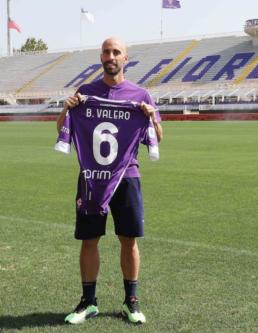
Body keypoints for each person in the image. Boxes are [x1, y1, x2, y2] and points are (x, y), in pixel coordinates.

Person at [57, 37, 163, 325]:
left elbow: (159, 137)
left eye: (117, 52)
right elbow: (62, 127)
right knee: (89, 239)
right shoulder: (85, 92)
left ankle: (131, 300)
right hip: (93, 176)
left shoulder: (141, 95)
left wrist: (152, 118)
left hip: (127, 176)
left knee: (128, 239)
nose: (111, 56)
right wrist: (67, 109)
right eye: (106, 51)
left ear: (126, 58)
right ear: (100, 57)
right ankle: (88, 302)